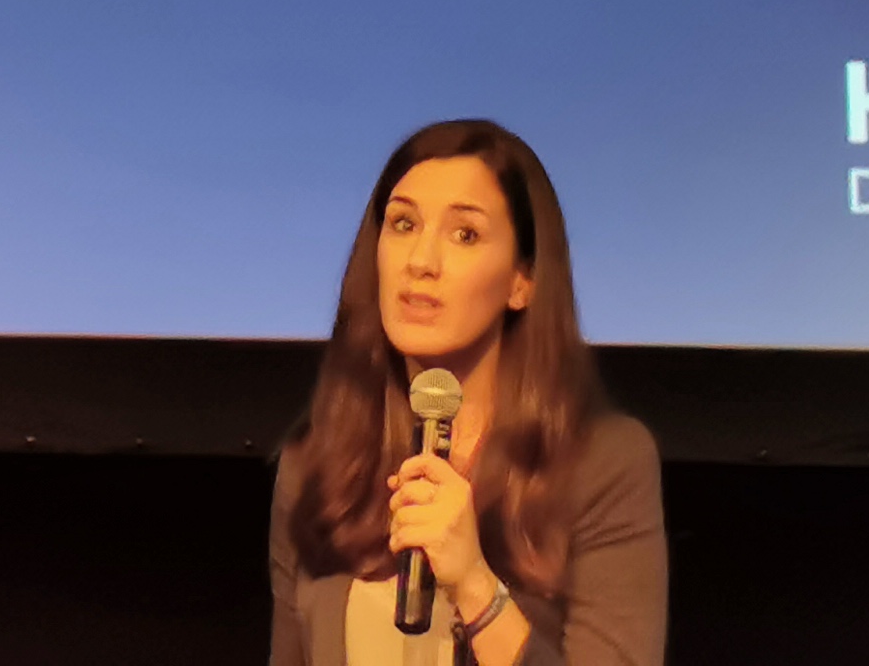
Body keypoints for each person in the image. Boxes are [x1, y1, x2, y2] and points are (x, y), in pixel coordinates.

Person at [268, 120, 665, 666]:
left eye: (465, 235)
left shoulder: (603, 463)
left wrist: (477, 587)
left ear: (522, 280)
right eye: (403, 224)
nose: (421, 262)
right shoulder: (315, 465)